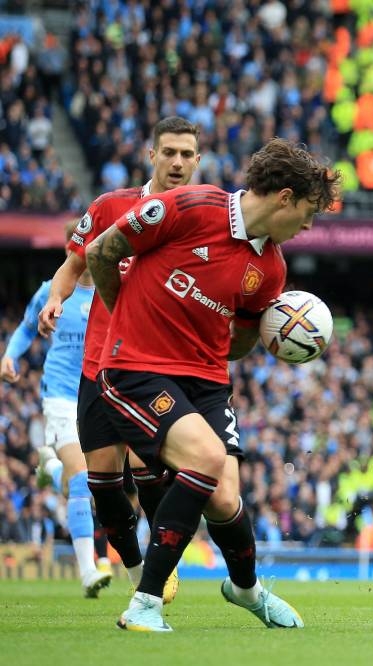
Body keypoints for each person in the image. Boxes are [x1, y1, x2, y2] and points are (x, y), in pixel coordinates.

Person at [85, 137, 341, 632]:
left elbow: (240, 341)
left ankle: (246, 590)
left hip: (206, 381)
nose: (309, 226)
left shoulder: (271, 269)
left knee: (225, 499)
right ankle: (145, 604)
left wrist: (270, 337)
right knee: (203, 459)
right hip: (136, 368)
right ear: (284, 197)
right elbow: (102, 251)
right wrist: (128, 325)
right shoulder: (188, 206)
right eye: (308, 212)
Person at [38, 116, 203, 604]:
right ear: (151, 155)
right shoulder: (111, 206)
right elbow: (72, 265)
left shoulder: (200, 218)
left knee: (155, 472)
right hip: (100, 365)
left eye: (186, 154)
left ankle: (159, 568)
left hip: (158, 367)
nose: (177, 162)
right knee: (105, 482)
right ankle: (138, 574)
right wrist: (56, 300)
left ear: (197, 160)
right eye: (168, 152)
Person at [1, 223, 111, 597]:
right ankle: (88, 572)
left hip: (97, 397)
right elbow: (26, 329)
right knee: (81, 479)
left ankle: (48, 466)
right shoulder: (52, 292)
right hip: (60, 395)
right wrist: (9, 357)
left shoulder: (112, 294)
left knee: (90, 481)